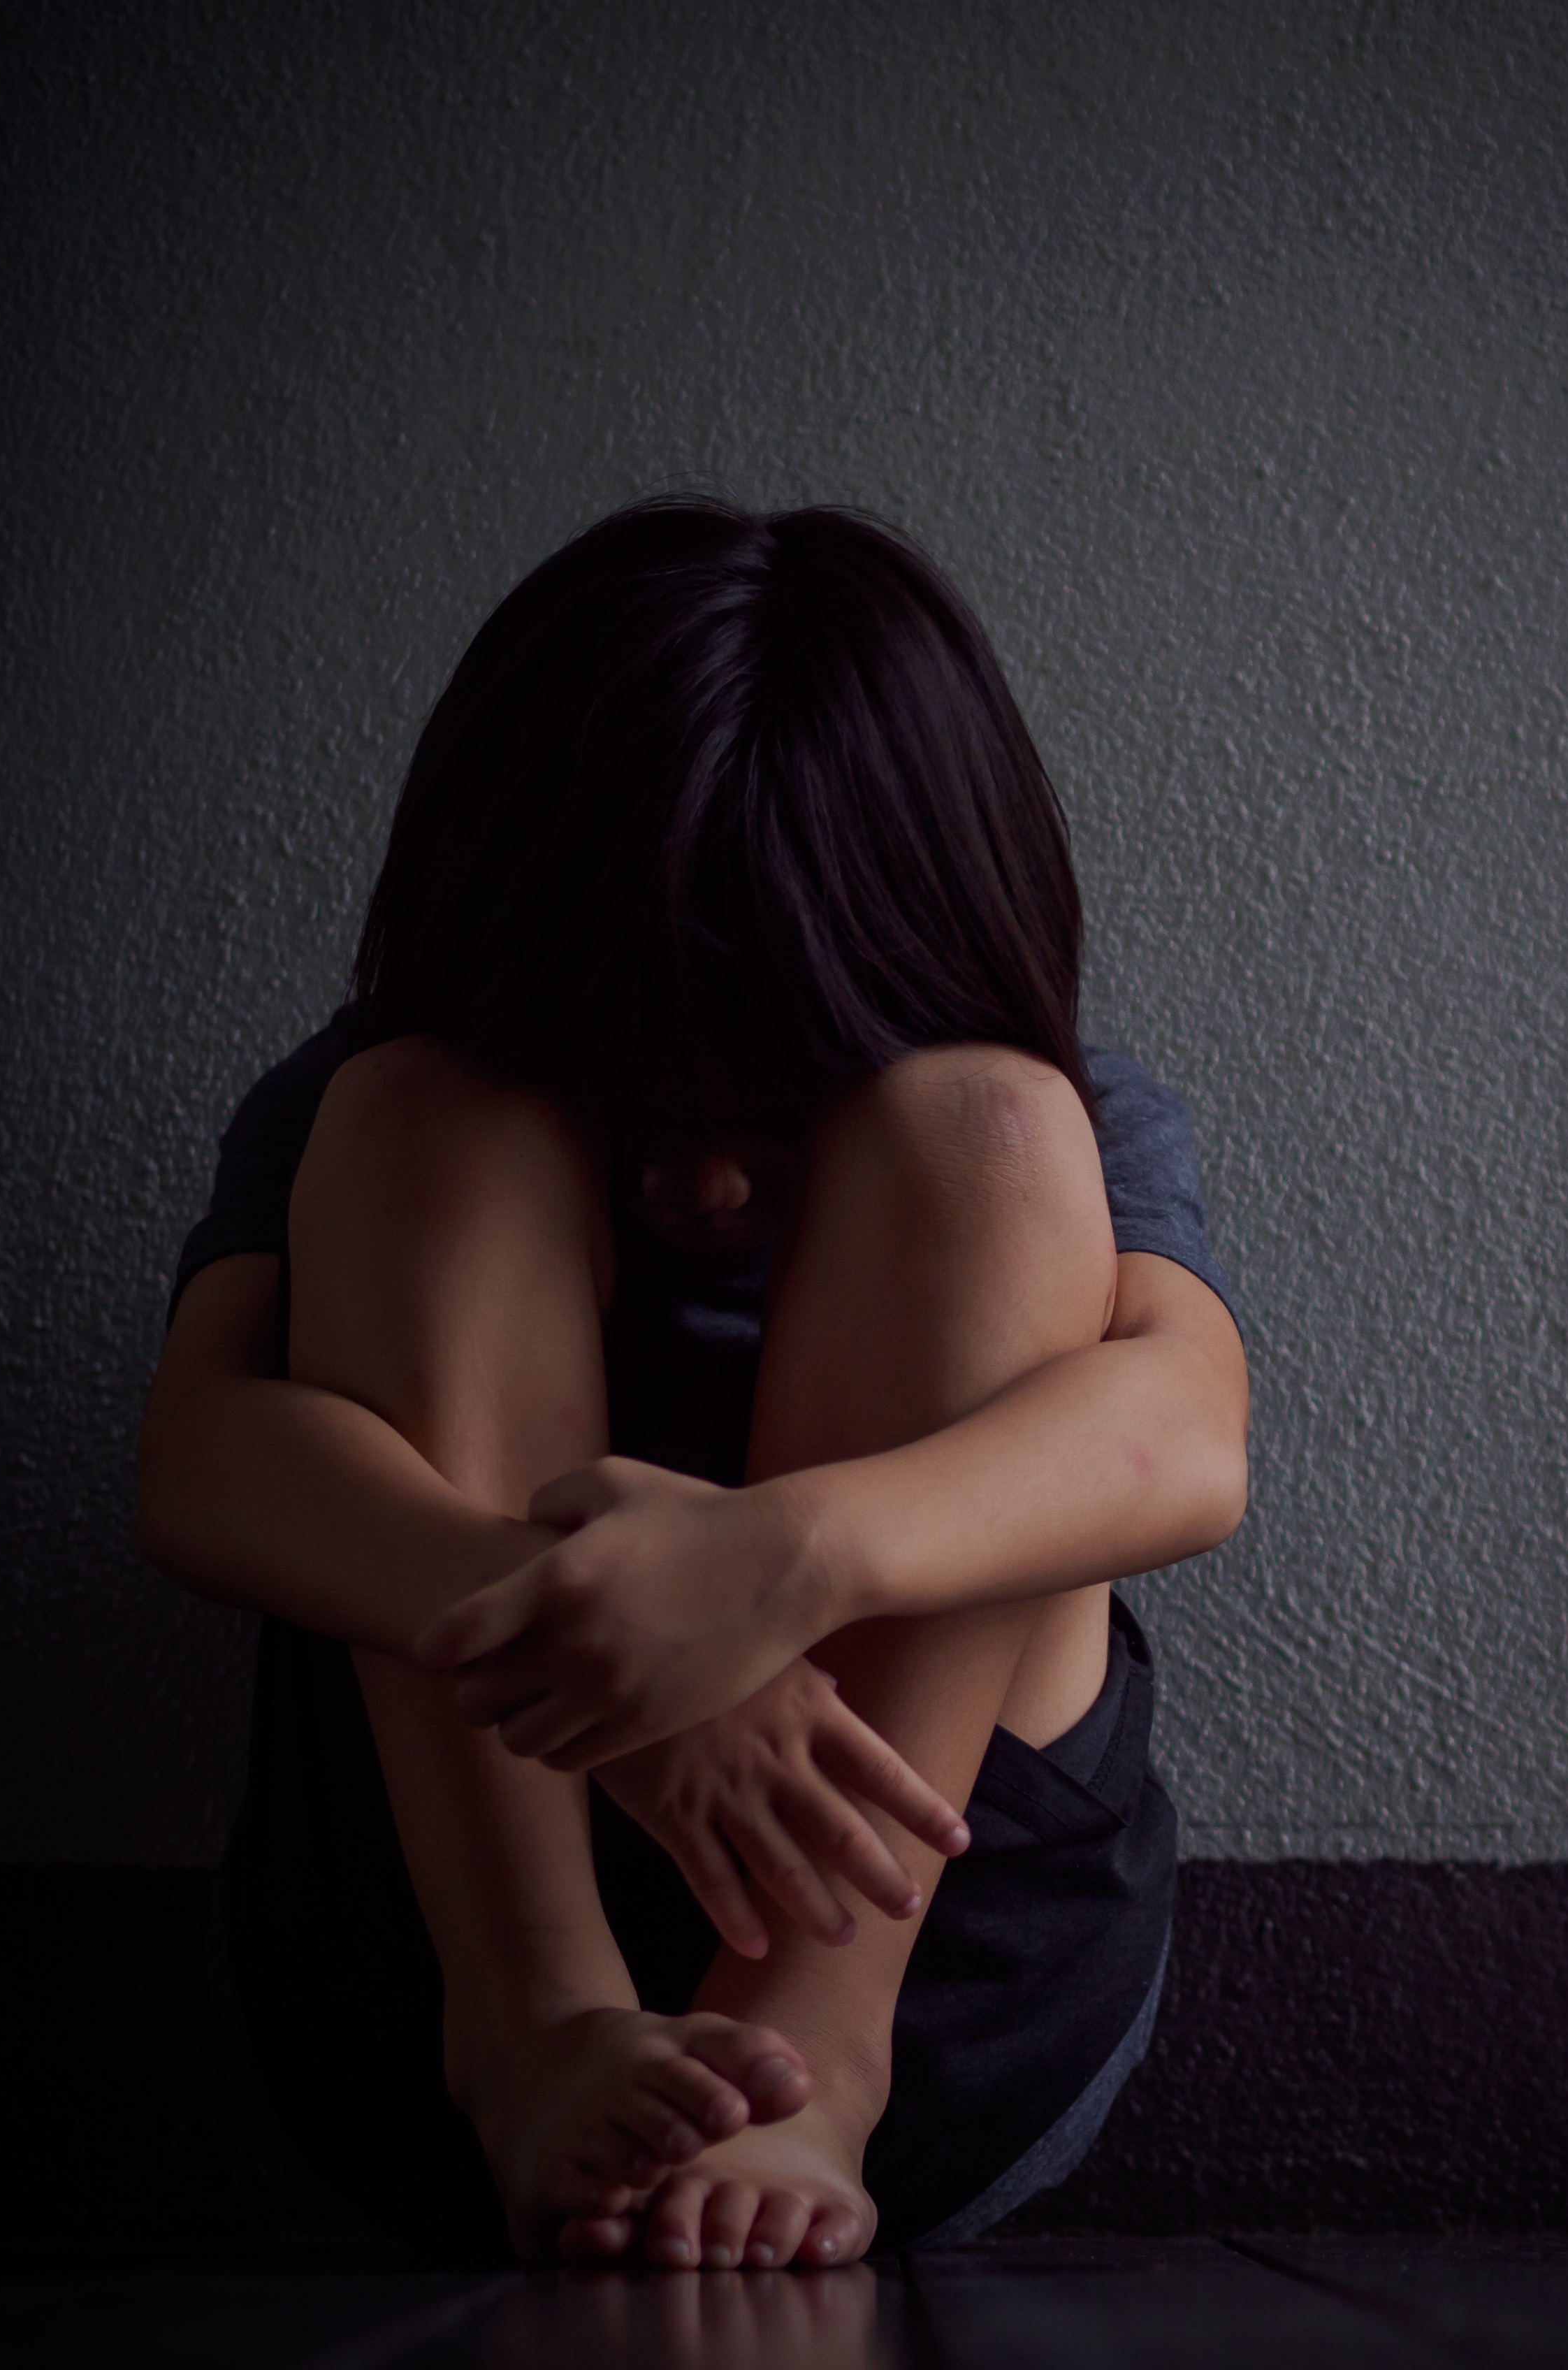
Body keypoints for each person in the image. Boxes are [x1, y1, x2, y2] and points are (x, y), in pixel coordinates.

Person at [133, 498, 1248, 2270]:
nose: (707, 1185)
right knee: (419, 1113)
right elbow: (196, 1461)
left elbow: (1186, 1445)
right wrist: (613, 1647)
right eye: (635, 1089)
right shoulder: (371, 1102)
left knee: (988, 1127)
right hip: (425, 1977)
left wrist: (776, 1566)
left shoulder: (1067, 1116)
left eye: (777, 1097)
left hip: (944, 1970)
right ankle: (540, 2022)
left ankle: (813, 2059)